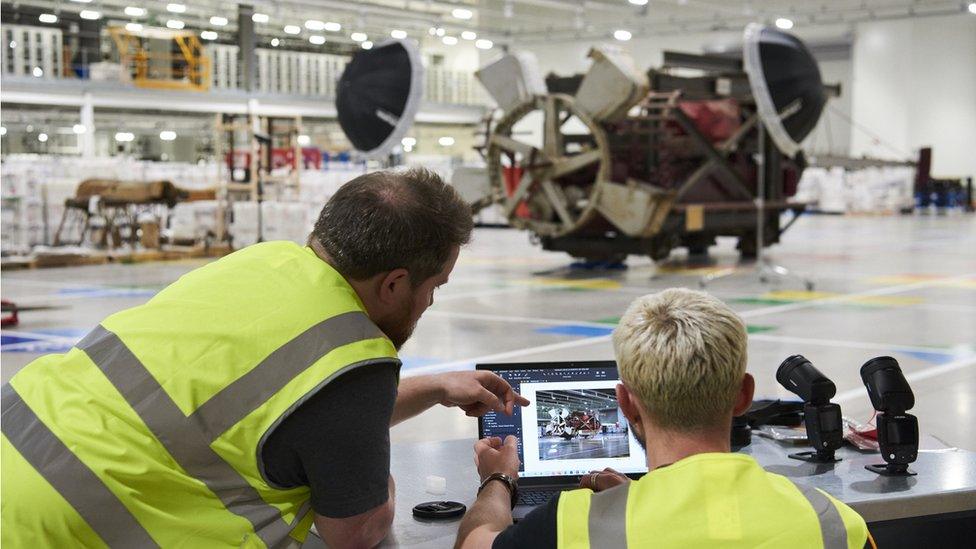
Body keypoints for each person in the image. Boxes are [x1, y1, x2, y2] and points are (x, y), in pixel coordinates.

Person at [1, 168, 529, 549]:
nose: (432, 301)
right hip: (66, 532)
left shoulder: (260, 263)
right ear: (394, 283)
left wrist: (435, 387)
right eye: (434, 285)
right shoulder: (356, 355)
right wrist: (474, 481)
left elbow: (286, 413)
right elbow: (356, 531)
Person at [455, 288, 870, 549]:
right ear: (743, 395)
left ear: (626, 404)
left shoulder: (573, 522)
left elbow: (475, 542)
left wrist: (498, 480)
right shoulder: (835, 522)